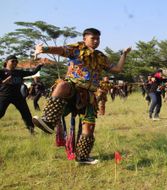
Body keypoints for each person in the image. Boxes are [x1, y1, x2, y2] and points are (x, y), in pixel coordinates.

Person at [32, 28, 131, 164]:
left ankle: (83, 156)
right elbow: (61, 50)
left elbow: (117, 69)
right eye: (93, 38)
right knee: (62, 86)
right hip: (73, 88)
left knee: (89, 127)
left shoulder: (100, 57)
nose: (96, 41)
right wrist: (45, 49)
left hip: (89, 95)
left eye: (98, 39)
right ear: (85, 39)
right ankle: (48, 121)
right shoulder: (77, 48)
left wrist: (124, 54)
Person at [0, 55, 43, 134]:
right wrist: (5, 81)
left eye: (16, 61)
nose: (15, 63)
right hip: (4, 96)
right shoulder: (2, 72)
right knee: (0, 112)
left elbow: (32, 72)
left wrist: (39, 65)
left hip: (18, 96)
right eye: (13, 61)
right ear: (6, 62)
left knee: (26, 113)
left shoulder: (19, 72)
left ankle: (31, 130)